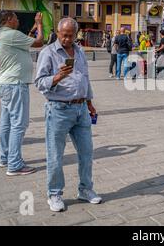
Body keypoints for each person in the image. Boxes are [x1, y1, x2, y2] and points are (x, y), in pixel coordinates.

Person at [34, 17, 101, 212]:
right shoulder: (48, 53)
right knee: (55, 154)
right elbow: (39, 82)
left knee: (87, 152)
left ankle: (85, 190)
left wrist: (89, 103)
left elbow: (84, 78)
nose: (67, 39)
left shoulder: (79, 51)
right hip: (59, 110)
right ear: (57, 31)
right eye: (64, 35)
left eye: (71, 35)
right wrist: (58, 76)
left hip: (81, 109)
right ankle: (54, 193)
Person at [0, 11, 44, 176]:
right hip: (15, 84)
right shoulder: (12, 35)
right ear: (9, 19)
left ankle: (5, 157)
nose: (18, 20)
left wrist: (33, 27)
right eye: (16, 18)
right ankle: (14, 164)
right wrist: (40, 24)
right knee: (19, 124)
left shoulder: (6, 35)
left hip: (6, 83)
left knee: (7, 123)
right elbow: (39, 42)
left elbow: (27, 38)